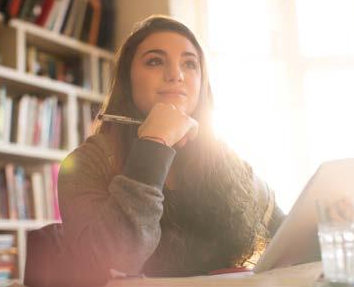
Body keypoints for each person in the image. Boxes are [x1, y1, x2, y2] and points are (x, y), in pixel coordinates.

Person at [30, 14, 285, 287]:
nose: (176, 74)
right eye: (155, 61)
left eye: (190, 64)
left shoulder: (227, 160)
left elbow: (289, 234)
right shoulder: (87, 162)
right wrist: (154, 143)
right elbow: (111, 261)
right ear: (127, 80)